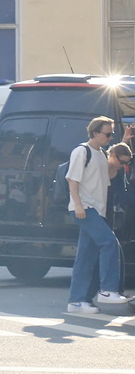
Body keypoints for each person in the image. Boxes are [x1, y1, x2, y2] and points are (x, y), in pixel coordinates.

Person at [66, 117, 132, 315]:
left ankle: (76, 302)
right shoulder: (81, 151)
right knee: (109, 243)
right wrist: (78, 205)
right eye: (108, 134)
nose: (110, 137)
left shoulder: (101, 154)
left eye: (112, 134)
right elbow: (72, 179)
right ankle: (107, 290)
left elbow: (113, 167)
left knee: (85, 257)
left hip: (96, 210)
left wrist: (125, 142)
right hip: (85, 208)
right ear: (95, 133)